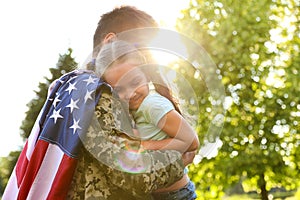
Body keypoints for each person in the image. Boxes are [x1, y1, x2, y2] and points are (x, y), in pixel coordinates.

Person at [2, 6, 195, 200]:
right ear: (110, 41)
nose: (146, 60)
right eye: (140, 48)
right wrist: (178, 162)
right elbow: (127, 172)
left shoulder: (81, 89)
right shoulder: (95, 92)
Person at [95, 40, 199, 199]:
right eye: (119, 90)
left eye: (135, 82)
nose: (130, 94)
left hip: (176, 195)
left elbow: (191, 141)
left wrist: (147, 145)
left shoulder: (152, 105)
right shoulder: (135, 109)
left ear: (147, 75)